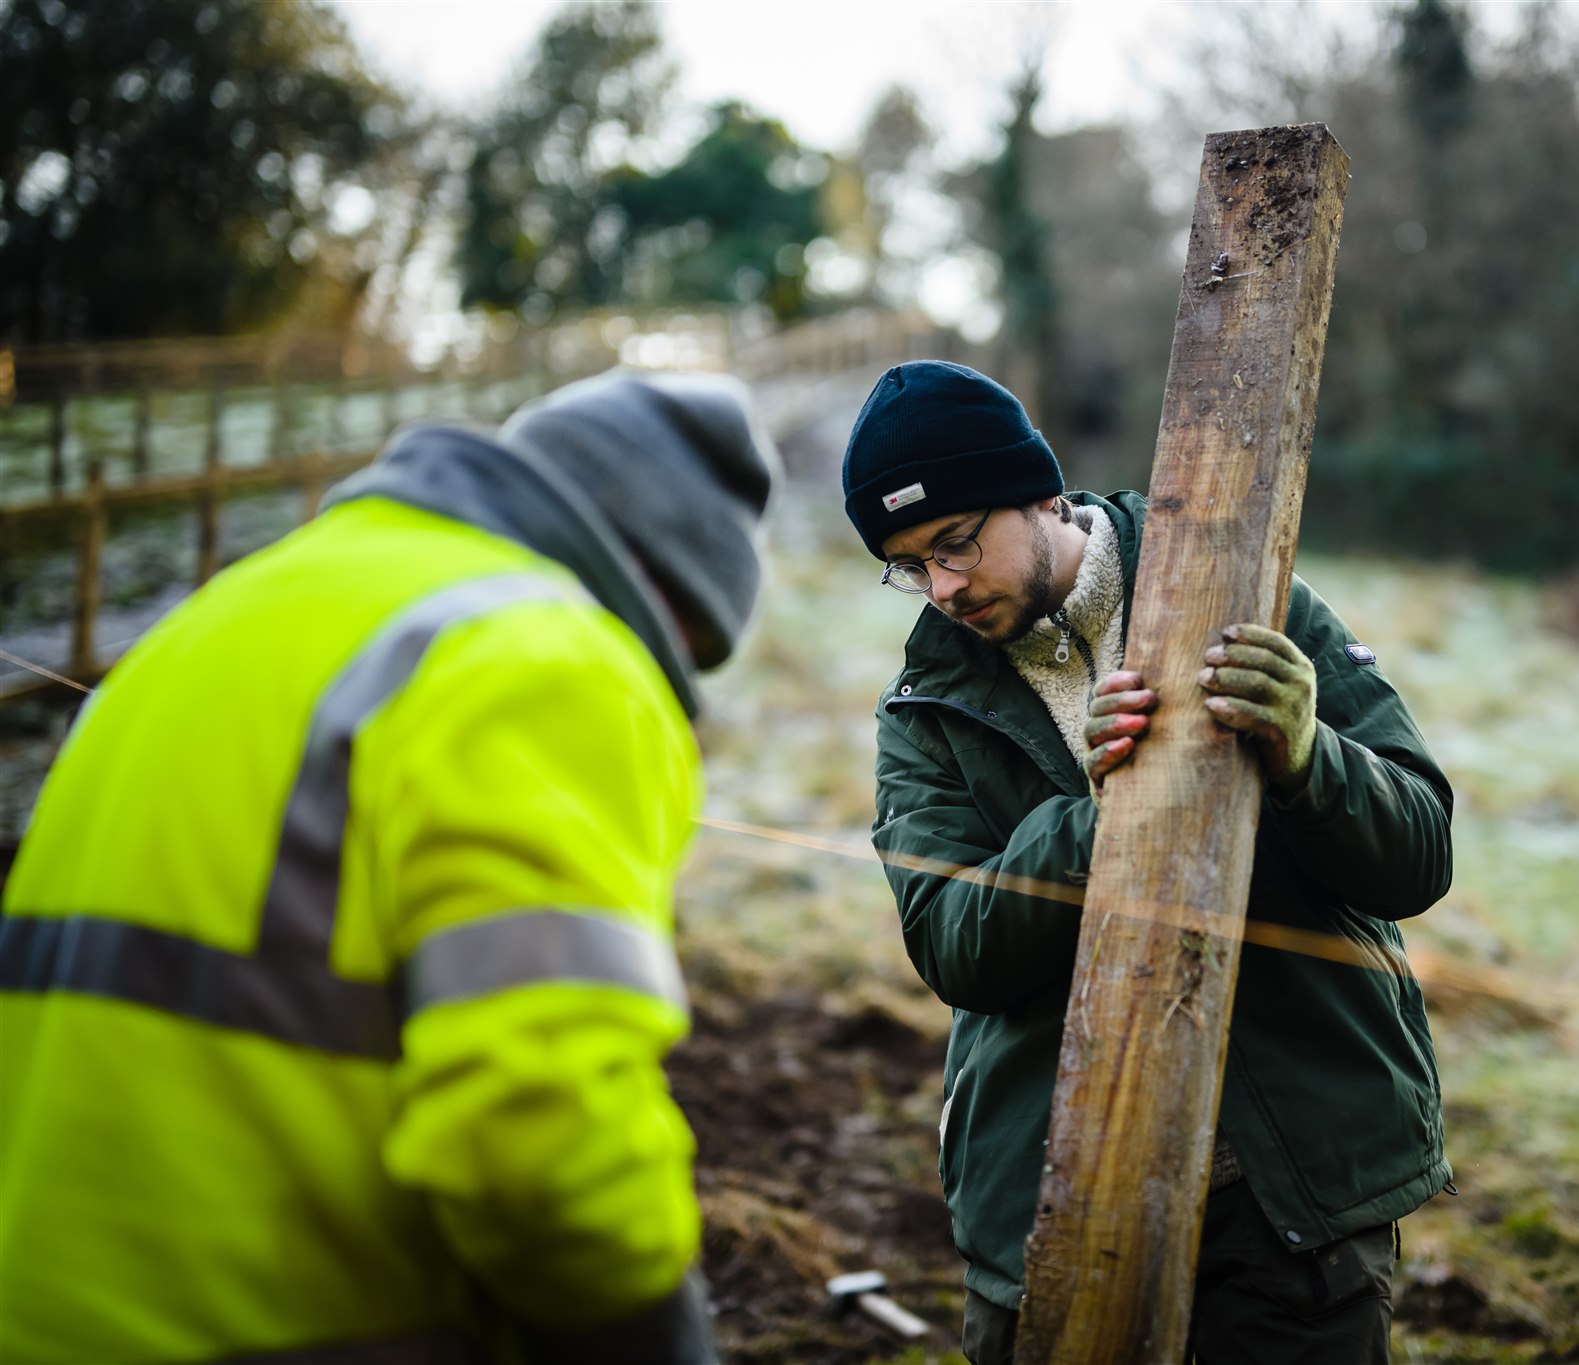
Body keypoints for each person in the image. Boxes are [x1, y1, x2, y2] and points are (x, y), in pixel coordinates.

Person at [0, 370, 779, 1363]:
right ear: (662, 592)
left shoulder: (215, 619)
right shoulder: (545, 652)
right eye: (689, 648)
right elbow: (535, 1137)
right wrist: (658, 1337)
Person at [843, 360, 1455, 1364]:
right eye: (907, 564)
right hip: (1052, 1196)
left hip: (1286, 1189)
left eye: (956, 541)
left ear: (1041, 493)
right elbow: (956, 949)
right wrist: (1096, 811)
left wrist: (1309, 755)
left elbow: (1416, 858)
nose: (943, 586)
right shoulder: (925, 710)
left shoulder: (1250, 594)